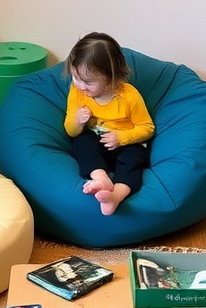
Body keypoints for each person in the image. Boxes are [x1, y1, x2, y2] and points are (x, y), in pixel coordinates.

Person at [63, 32, 154, 216]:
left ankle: (116, 196)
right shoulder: (77, 91)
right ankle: (101, 178)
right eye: (75, 77)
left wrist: (121, 138)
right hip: (97, 140)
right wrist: (77, 121)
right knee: (81, 142)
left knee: (134, 160)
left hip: (127, 143)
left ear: (111, 77)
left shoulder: (129, 96)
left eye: (88, 81)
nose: (80, 85)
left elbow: (147, 127)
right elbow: (70, 131)